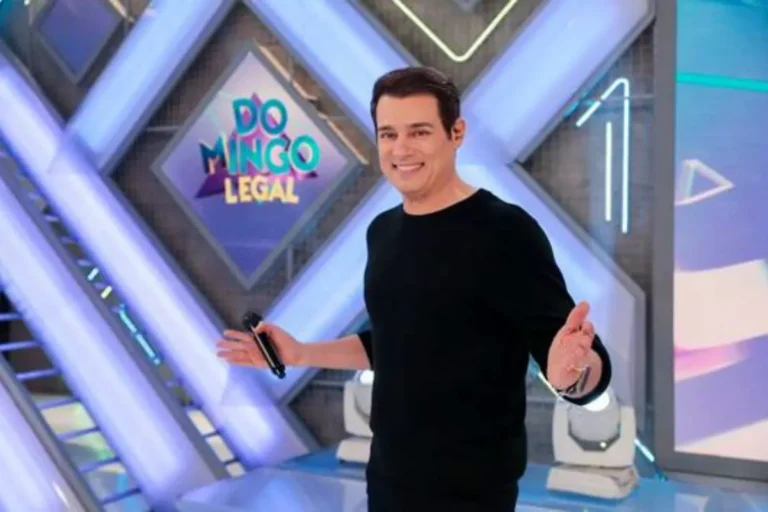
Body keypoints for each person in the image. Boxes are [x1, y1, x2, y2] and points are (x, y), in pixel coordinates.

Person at [217, 66, 612, 511]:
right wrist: (299, 353)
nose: (401, 149)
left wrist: (573, 376)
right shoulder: (382, 232)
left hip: (472, 495)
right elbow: (392, 343)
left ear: (456, 133)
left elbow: (574, 360)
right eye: (388, 134)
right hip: (387, 484)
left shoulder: (506, 231)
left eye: (419, 132)